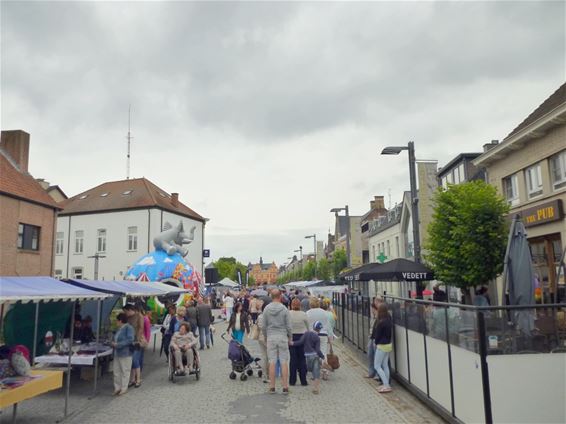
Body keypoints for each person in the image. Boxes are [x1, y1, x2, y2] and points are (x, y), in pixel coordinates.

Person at [263, 289, 292, 394]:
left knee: (272, 361)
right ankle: (285, 387)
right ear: (280, 296)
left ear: (271, 296)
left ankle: (272, 387)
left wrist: (266, 337)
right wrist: (290, 338)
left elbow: (264, 325)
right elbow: (289, 326)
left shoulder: (266, 309)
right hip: (282, 336)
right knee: (284, 361)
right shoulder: (284, 309)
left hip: (271, 336)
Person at [291, 321, 325, 395]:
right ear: (319, 329)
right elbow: (318, 350)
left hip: (306, 356)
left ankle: (303, 379)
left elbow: (300, 342)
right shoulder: (317, 338)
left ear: (313, 327)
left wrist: (292, 343)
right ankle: (315, 388)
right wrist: (322, 356)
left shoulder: (306, 333)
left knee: (307, 369)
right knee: (316, 372)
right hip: (314, 356)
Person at [306, 297, 332, 380]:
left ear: (310, 304)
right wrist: (329, 337)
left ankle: (315, 372)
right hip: (323, 334)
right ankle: (325, 371)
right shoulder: (324, 312)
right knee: (323, 352)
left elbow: (306, 326)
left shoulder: (308, 313)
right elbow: (328, 326)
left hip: (312, 336)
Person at [123, 304, 146, 388]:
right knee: (132, 361)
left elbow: (141, 328)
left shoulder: (139, 316)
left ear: (129, 310)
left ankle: (138, 379)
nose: (125, 313)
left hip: (137, 342)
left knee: (135, 359)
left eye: (125, 312)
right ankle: (132, 379)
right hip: (130, 342)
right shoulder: (128, 318)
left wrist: (137, 339)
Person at [111, 313, 134, 395]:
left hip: (125, 353)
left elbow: (130, 340)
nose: (116, 322)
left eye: (117, 320)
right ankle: (117, 387)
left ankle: (124, 388)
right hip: (117, 352)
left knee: (125, 371)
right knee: (116, 371)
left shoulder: (129, 328)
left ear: (120, 321)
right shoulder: (119, 329)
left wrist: (118, 344)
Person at [372, 303, 393, 393]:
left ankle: (386, 385)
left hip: (381, 345)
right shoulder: (389, 320)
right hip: (388, 345)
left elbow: (377, 336)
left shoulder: (380, 323)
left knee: (377, 366)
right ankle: (386, 384)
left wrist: (376, 343)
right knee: (385, 365)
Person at [289, 298, 309, 386]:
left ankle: (292, 381)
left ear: (292, 305)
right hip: (302, 337)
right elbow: (308, 327)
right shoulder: (304, 314)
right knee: (302, 359)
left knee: (293, 359)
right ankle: (303, 380)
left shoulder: (288, 314)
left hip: (292, 337)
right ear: (300, 305)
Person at [366, 297, 381, 378]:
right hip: (371, 337)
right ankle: (371, 372)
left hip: (376, 338)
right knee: (370, 354)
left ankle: (377, 374)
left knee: (376, 356)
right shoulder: (374, 317)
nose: (371, 311)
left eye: (372, 309)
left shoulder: (379, 317)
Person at [257, 302, 270, 383]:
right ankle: (266, 375)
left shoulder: (260, 316)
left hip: (260, 338)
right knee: (268, 357)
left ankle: (264, 375)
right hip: (267, 338)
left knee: (264, 356)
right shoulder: (268, 317)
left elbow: (259, 326)